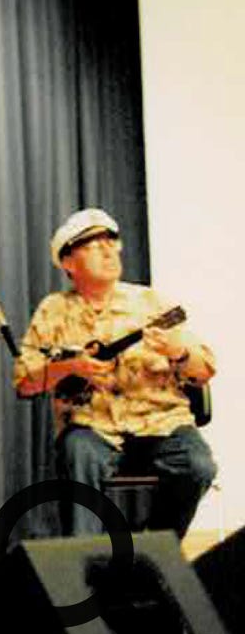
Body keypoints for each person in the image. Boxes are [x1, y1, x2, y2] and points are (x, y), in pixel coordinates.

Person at [13, 207, 217, 536]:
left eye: (112, 241)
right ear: (68, 263)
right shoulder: (54, 310)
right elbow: (25, 383)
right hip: (92, 428)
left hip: (161, 423)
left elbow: (204, 370)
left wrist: (176, 351)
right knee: (78, 455)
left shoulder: (152, 303)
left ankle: (155, 549)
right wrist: (71, 366)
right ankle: (87, 565)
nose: (108, 250)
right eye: (94, 245)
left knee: (197, 466)